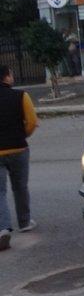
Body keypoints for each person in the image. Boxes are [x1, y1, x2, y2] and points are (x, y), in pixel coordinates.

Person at [0, 65, 38, 251]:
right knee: (20, 187)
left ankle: (3, 228)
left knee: (0, 192)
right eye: (11, 74)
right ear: (6, 77)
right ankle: (24, 222)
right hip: (18, 148)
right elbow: (32, 122)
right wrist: (22, 134)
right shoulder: (21, 96)